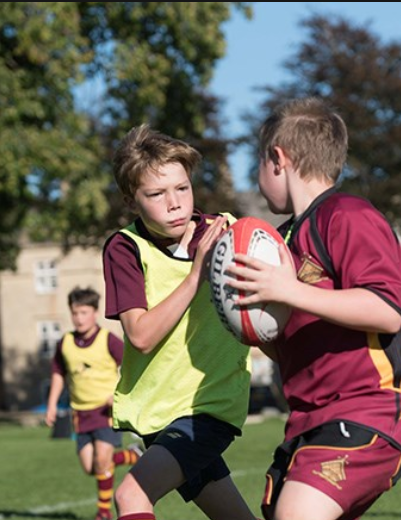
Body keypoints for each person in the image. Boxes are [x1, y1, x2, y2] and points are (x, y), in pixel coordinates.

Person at [223, 97, 401, 520]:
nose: (258, 180)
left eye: (258, 166)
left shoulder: (349, 215)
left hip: (373, 406)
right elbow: (290, 342)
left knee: (296, 513)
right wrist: (245, 316)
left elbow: (386, 309)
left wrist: (288, 290)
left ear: (277, 160)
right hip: (309, 418)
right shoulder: (280, 243)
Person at [102, 124, 256, 520]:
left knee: (131, 497)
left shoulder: (226, 233)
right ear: (131, 200)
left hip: (209, 407)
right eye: (156, 194)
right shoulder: (125, 248)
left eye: (182, 188)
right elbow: (140, 335)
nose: (174, 203)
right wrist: (194, 277)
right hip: (156, 413)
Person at [45, 286, 142, 520]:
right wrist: (51, 405)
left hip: (106, 410)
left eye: (84, 312)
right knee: (91, 467)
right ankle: (131, 456)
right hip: (80, 413)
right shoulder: (65, 343)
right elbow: (58, 373)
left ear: (95, 312)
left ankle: (103, 512)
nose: (79, 318)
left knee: (101, 460)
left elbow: (130, 366)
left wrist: (119, 393)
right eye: (75, 313)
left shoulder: (108, 340)